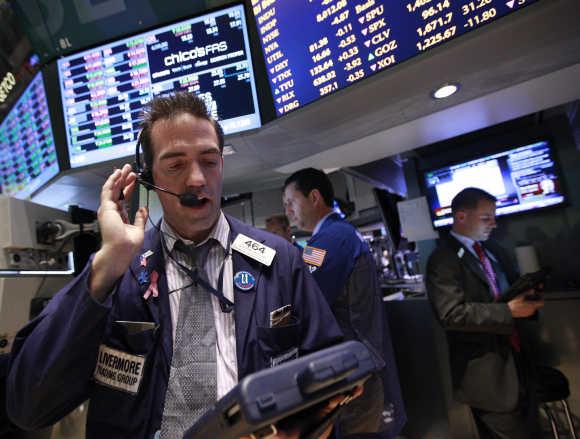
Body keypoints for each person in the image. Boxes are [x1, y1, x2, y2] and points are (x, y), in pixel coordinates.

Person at [7, 93, 344, 438]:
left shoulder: (280, 258)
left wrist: (297, 431)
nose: (197, 179)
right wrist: (106, 264)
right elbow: (29, 406)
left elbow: (332, 373)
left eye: (209, 161)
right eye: (176, 164)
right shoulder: (117, 274)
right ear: (149, 178)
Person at [282, 168, 406, 438]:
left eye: (290, 202)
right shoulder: (338, 235)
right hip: (358, 365)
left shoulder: (329, 240)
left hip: (352, 373)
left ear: (314, 197)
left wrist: (268, 320)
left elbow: (302, 301)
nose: (288, 212)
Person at [426, 187, 545, 439]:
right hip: (486, 376)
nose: (494, 223)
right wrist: (508, 312)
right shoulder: (443, 258)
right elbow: (451, 314)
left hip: (514, 365)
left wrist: (525, 298)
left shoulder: (491, 250)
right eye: (486, 218)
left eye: (493, 216)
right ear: (461, 217)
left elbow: (499, 296)